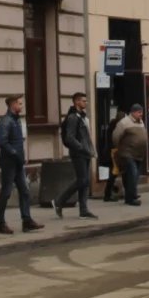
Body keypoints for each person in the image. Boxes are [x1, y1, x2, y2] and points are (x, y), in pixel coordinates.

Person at [0, 95, 43, 234]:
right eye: (19, 104)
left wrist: (20, 157)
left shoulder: (16, 121)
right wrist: (15, 153)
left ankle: (27, 221)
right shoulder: (6, 121)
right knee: (6, 192)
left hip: (18, 163)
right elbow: (2, 142)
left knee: (25, 191)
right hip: (9, 162)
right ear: (12, 105)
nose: (22, 106)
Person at [53, 92, 99, 220]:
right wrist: (82, 148)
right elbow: (70, 137)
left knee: (85, 182)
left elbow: (87, 136)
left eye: (86, 100)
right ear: (76, 102)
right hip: (78, 153)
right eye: (83, 101)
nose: (86, 103)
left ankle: (84, 210)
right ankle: (59, 201)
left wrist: (91, 150)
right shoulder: (73, 117)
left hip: (86, 153)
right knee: (82, 180)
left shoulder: (83, 117)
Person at [112, 104, 147, 206]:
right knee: (133, 174)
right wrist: (120, 147)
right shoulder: (124, 122)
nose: (141, 114)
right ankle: (132, 198)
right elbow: (115, 137)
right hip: (127, 153)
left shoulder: (141, 122)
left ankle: (129, 196)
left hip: (139, 154)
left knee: (131, 176)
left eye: (142, 112)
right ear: (133, 112)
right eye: (139, 112)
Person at [104, 111, 126, 202]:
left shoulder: (113, 125)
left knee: (118, 172)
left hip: (115, 150)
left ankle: (109, 194)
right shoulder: (115, 127)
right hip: (114, 151)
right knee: (114, 172)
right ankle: (107, 195)